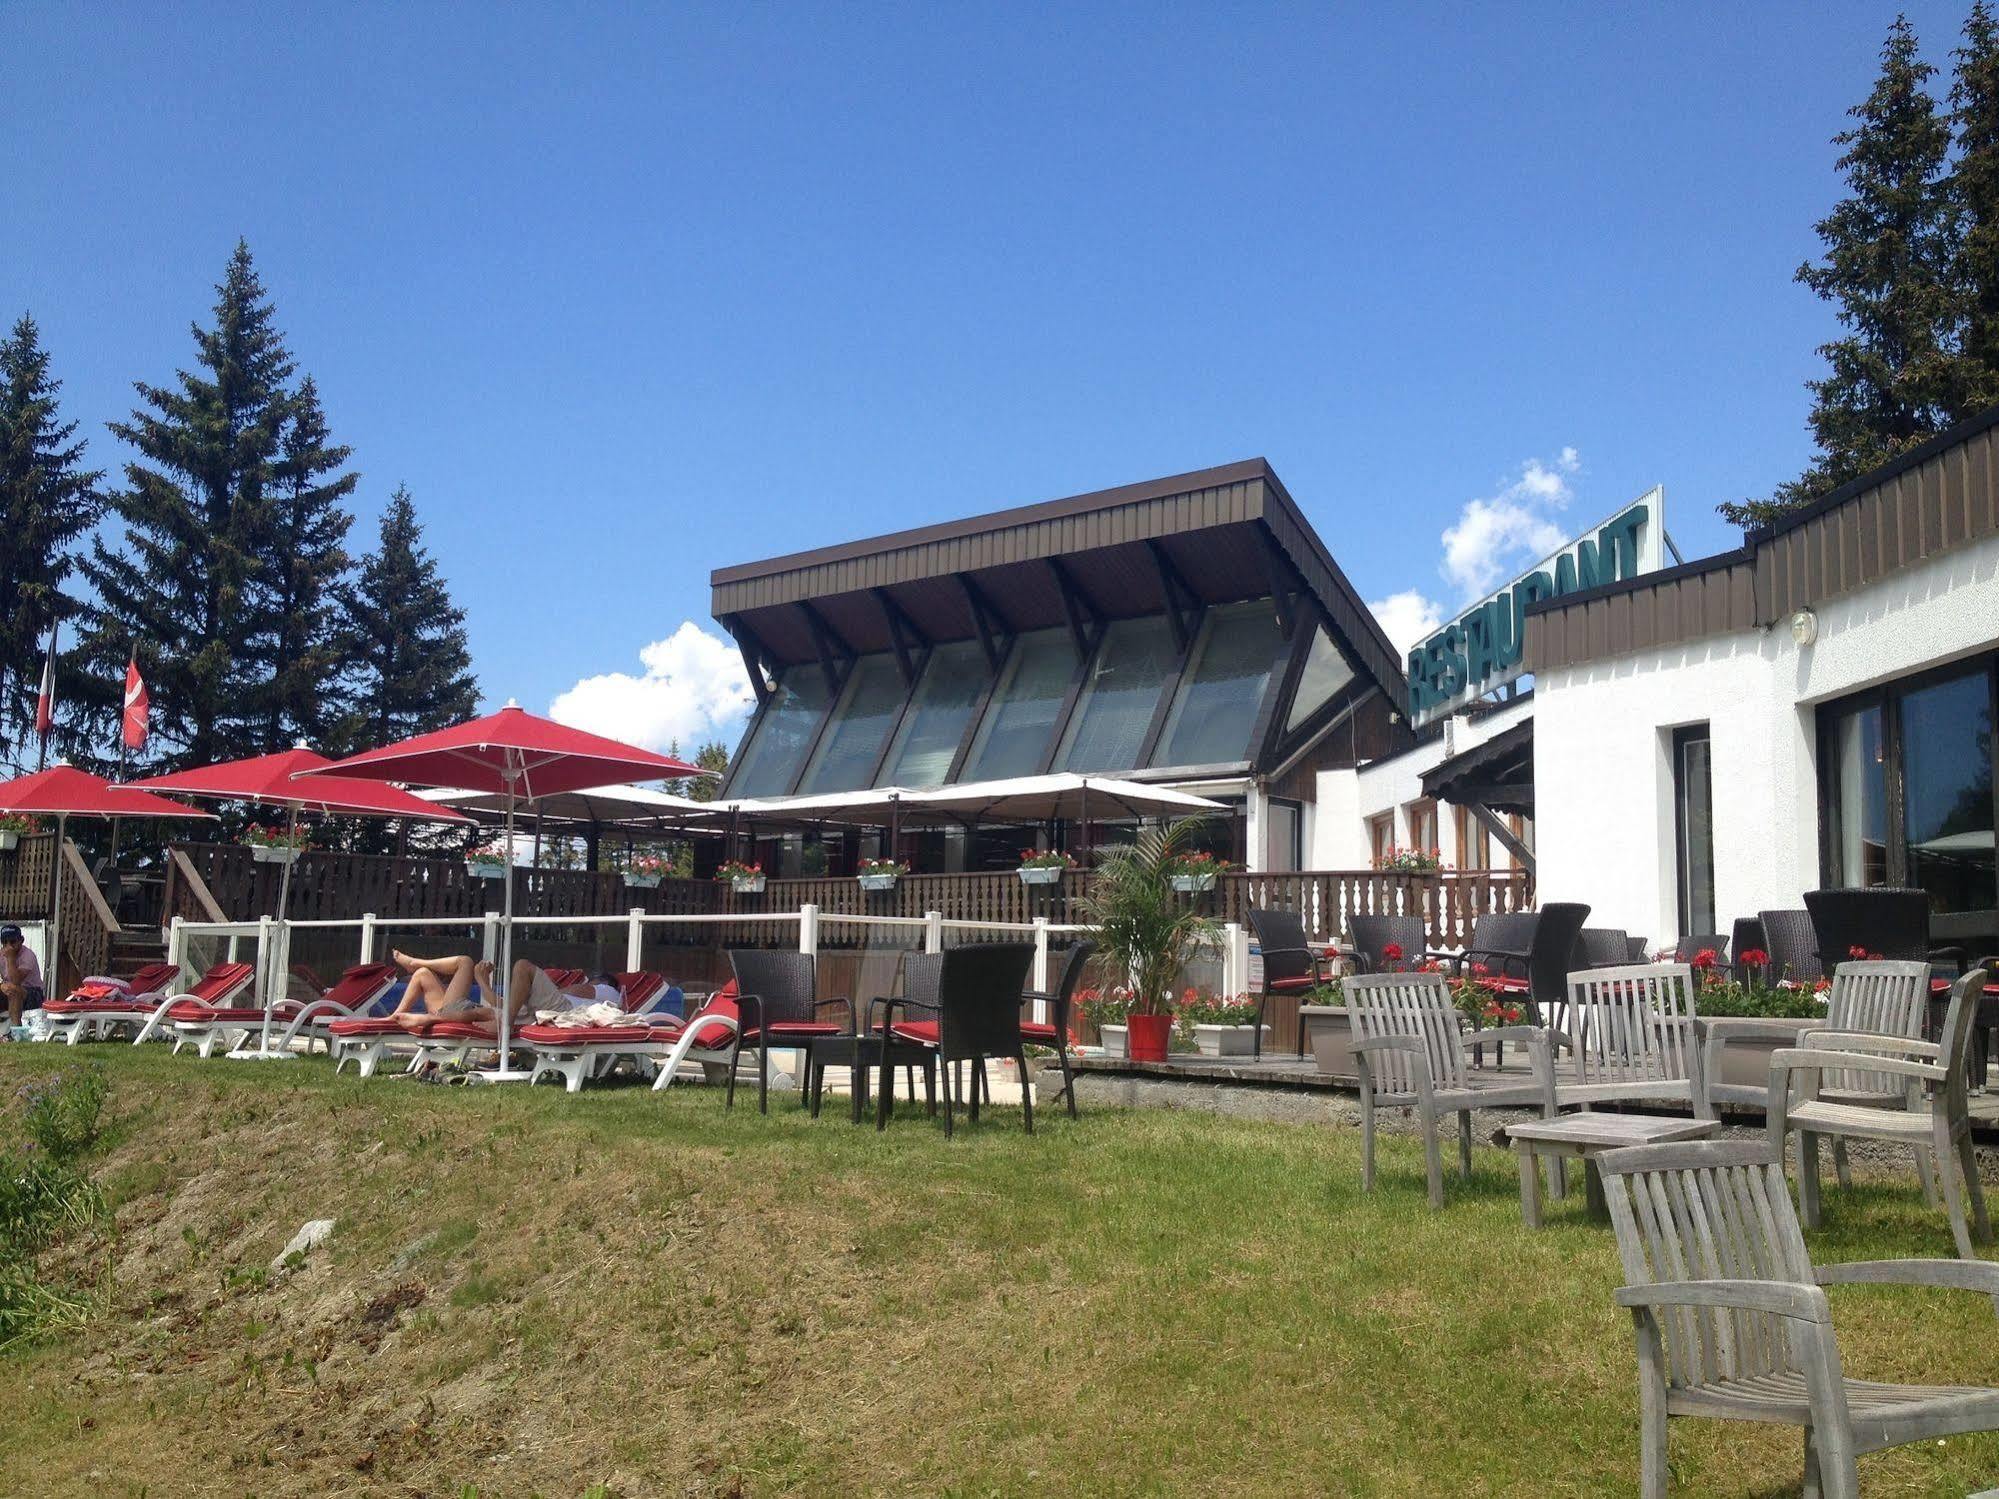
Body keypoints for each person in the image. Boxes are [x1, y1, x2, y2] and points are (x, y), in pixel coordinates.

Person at [385, 949, 591, 1037]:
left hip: (558, 1011)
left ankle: (415, 966)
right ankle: (394, 1018)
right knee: (422, 974)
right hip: (466, 1012)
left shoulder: (602, 988)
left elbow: (577, 990)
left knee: (466, 962)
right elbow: (502, 1003)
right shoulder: (524, 1002)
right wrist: (482, 980)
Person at [0, 927, 45, 1029]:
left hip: (33, 993)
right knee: (10, 989)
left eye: (12, 941)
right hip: (10, 990)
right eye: (4, 942)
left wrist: (10, 959)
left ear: (21, 940)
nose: (8, 946)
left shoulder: (28, 955)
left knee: (14, 990)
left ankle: (16, 1031)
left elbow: (16, 980)